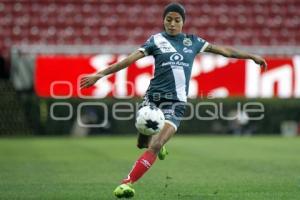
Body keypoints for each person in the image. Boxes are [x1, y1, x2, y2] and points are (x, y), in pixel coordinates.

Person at [80, 2, 267, 198]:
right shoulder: (155, 40)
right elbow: (128, 60)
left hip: (176, 103)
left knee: (156, 144)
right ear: (163, 21)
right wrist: (99, 75)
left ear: (183, 22)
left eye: (177, 20)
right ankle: (157, 144)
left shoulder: (193, 41)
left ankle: (127, 183)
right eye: (168, 19)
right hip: (152, 99)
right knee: (142, 143)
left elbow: (225, 51)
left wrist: (251, 56)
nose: (172, 24)